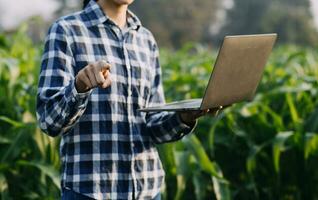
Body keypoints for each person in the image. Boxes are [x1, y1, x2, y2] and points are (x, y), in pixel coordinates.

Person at [36, 0, 222, 199]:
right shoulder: (66, 31)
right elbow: (49, 121)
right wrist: (79, 87)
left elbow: (152, 126)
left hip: (148, 191)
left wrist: (184, 117)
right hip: (90, 192)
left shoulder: (145, 40)